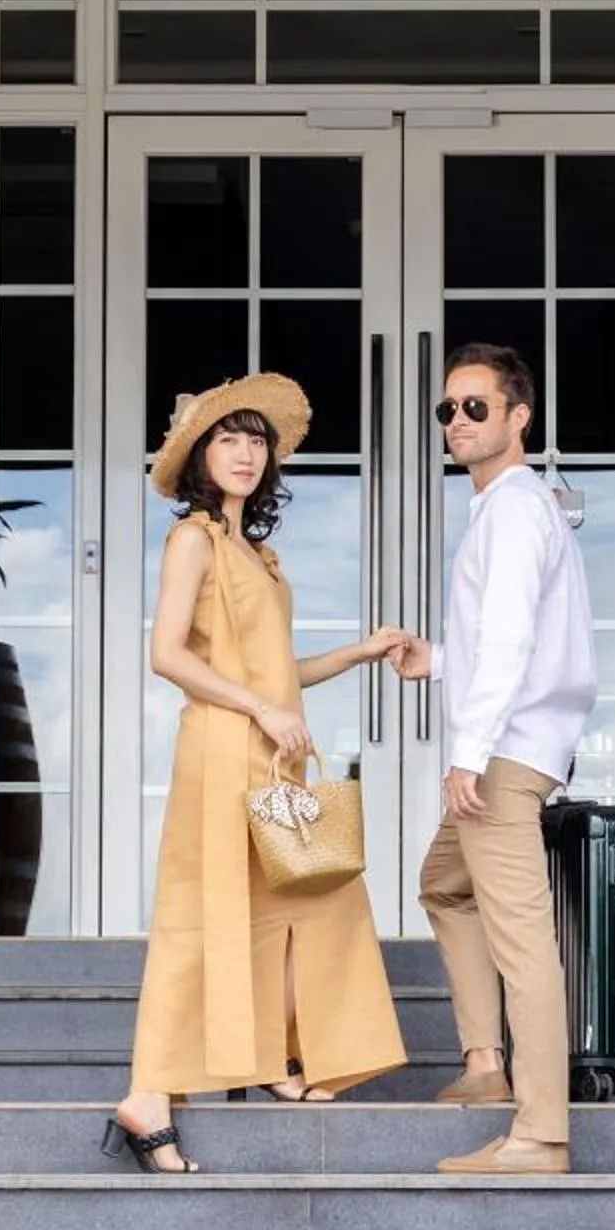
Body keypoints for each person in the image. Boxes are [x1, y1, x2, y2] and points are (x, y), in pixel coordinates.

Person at [103, 372, 412, 1176]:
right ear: (200, 457)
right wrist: (262, 711)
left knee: (300, 905)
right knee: (198, 922)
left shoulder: (257, 553)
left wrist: (360, 651)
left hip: (270, 753)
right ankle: (148, 1094)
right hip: (219, 750)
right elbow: (166, 655)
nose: (245, 453)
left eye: (256, 440)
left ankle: (272, 1057)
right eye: (227, 439)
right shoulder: (194, 541)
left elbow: (278, 673)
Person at [397, 341, 600, 1177]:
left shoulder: (516, 509)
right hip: (512, 750)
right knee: (444, 883)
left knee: (523, 942)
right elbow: (506, 641)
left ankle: (540, 1134)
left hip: (504, 759)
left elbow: (516, 640)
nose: (457, 422)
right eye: (448, 409)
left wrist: (467, 753)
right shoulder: (506, 511)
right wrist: (437, 661)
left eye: (475, 407)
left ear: (519, 417)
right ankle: (485, 1065)